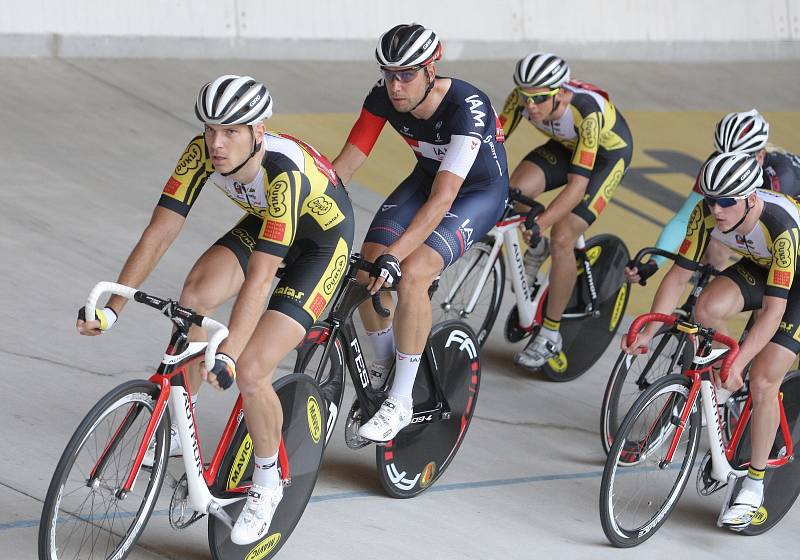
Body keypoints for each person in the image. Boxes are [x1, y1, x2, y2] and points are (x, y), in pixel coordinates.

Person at [76, 75, 354, 544]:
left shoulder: (282, 171)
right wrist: (113, 309)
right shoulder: (200, 151)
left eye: (230, 132)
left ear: (257, 132)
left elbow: (262, 276)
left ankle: (267, 483)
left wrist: (228, 354)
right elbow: (159, 231)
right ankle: (178, 423)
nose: (216, 143)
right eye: (210, 129)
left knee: (251, 368)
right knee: (195, 299)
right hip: (268, 224)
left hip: (322, 245)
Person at [332, 23, 508, 441]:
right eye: (389, 73)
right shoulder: (383, 97)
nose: (395, 86)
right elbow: (346, 166)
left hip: (475, 193)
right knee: (366, 267)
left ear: (432, 68)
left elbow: (445, 198)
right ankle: (384, 363)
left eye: (406, 74)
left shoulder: (468, 107)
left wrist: (398, 253)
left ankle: (402, 399)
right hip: (427, 178)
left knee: (411, 272)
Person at [624, 151, 800, 530]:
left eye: (726, 202)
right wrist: (651, 328)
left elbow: (772, 311)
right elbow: (678, 275)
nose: (716, 210)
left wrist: (739, 359)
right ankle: (720, 391)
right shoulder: (707, 214)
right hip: (759, 262)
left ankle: (753, 485)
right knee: (706, 308)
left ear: (751, 198)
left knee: (763, 378)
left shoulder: (781, 226)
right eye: (710, 199)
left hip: (793, 280)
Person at [497, 52, 634, 369]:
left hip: (604, 157)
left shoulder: (585, 113)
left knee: (562, 235)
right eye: (526, 96)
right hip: (564, 144)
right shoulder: (523, 96)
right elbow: (491, 140)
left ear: (561, 92)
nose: (531, 105)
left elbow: (576, 187)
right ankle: (538, 248)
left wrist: (543, 221)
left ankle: (550, 333)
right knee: (513, 192)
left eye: (540, 98)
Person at [627, 109, 800, 284]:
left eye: (736, 159)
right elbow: (683, 219)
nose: (725, 166)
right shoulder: (717, 168)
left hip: (791, 222)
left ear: (759, 157)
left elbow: (773, 241)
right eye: (721, 157)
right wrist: (654, 262)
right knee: (716, 241)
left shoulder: (780, 179)